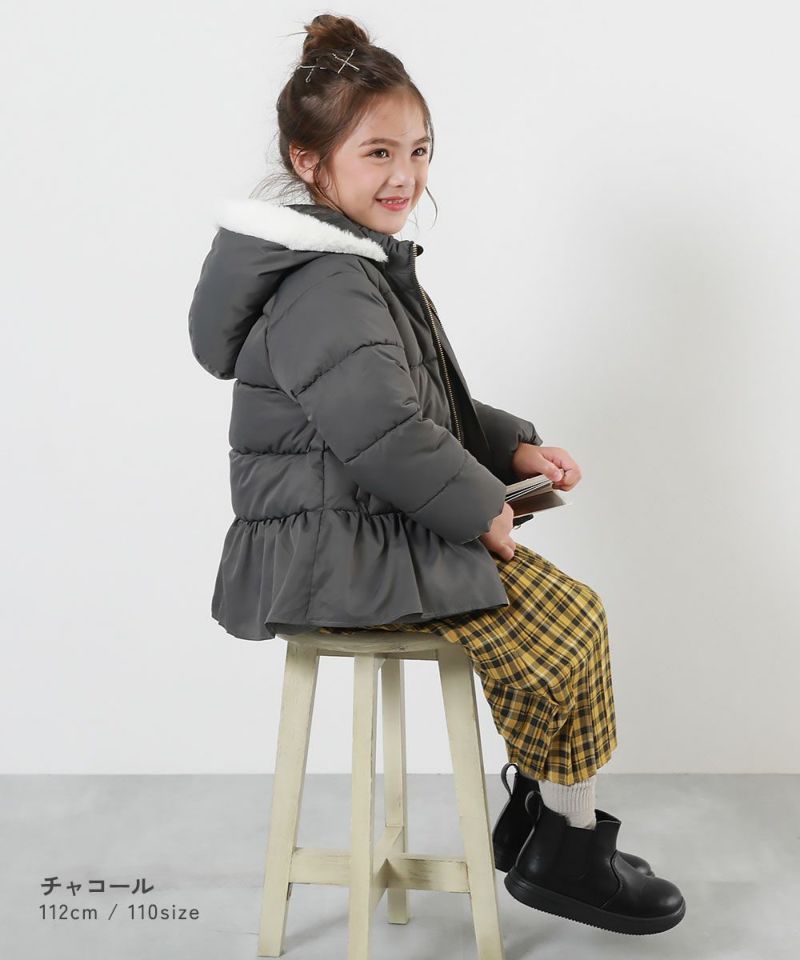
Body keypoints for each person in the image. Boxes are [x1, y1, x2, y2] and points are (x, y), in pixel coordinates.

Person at [188, 12, 685, 936]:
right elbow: (382, 434)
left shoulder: (354, 266)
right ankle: (565, 847)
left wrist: (511, 448)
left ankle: (546, 825)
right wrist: (478, 507)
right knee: (570, 624)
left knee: (570, 620)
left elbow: (410, 402)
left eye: (418, 151)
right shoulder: (326, 283)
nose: (405, 176)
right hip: (332, 554)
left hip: (360, 530)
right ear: (308, 161)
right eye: (377, 153)